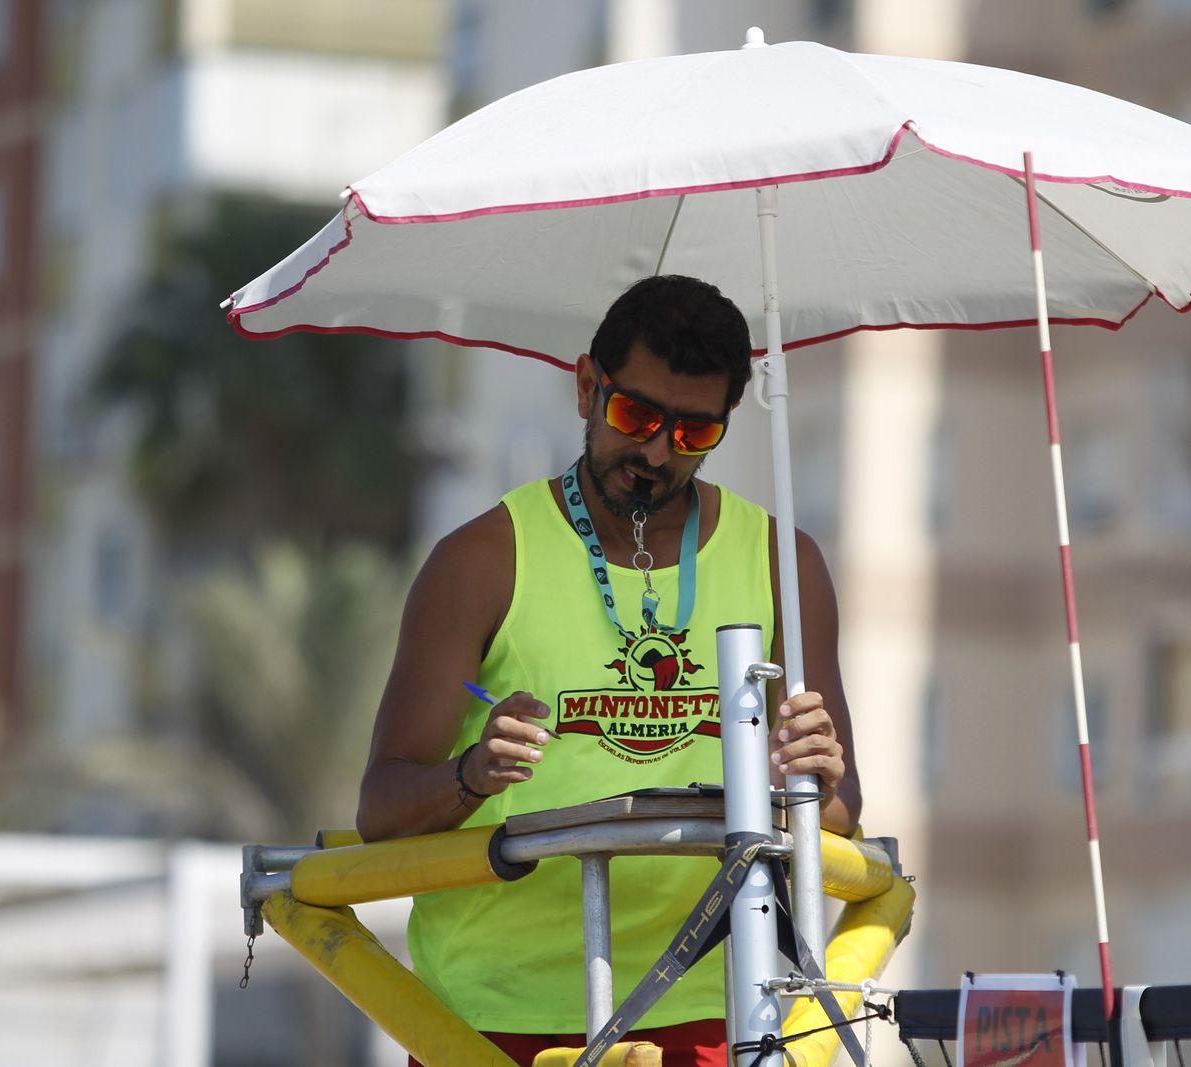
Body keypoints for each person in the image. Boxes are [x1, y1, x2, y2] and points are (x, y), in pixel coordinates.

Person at [357, 274, 861, 1067]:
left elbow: (842, 812)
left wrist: (813, 783)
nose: (656, 452)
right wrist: (471, 775)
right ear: (588, 386)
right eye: (637, 416)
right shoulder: (481, 560)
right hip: (491, 1019)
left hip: (712, 1006)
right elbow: (380, 812)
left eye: (693, 432)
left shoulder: (783, 563)